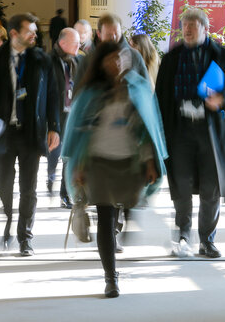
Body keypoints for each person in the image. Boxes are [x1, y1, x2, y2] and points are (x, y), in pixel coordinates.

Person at [61, 40, 167, 298]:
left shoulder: (138, 88)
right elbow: (80, 131)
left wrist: (150, 161)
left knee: (129, 204)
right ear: (103, 62)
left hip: (129, 162)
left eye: (122, 57)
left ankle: (127, 224)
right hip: (99, 162)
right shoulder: (90, 93)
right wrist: (79, 166)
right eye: (112, 58)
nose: (118, 62)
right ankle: (111, 277)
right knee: (106, 219)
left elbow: (147, 129)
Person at [156, 8, 225, 259]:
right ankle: (183, 235)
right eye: (184, 25)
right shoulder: (171, 59)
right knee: (181, 184)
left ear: (206, 28)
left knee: (211, 187)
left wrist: (223, 97)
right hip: (180, 129)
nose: (187, 29)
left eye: (193, 25)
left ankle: (207, 240)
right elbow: (161, 96)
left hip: (211, 132)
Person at [0, 13, 61, 256]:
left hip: (31, 133)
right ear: (14, 34)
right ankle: (8, 221)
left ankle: (25, 236)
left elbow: (53, 94)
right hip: (4, 133)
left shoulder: (41, 59)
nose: (35, 35)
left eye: (35, 31)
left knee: (29, 188)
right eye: (29, 31)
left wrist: (54, 126)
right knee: (4, 184)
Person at [47, 27, 82, 208]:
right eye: (75, 43)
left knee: (69, 157)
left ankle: (66, 194)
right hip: (55, 117)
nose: (79, 45)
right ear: (63, 43)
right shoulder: (50, 62)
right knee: (53, 154)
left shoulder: (77, 61)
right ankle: (50, 175)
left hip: (72, 117)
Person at [75, 13, 149, 87]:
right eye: (109, 35)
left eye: (116, 34)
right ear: (99, 34)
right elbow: (78, 91)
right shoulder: (88, 60)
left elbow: (145, 88)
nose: (113, 38)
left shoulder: (134, 57)